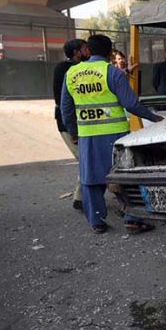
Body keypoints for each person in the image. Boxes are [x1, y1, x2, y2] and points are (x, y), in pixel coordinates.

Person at [61, 34, 163, 234]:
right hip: (116, 135)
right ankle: (132, 218)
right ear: (110, 53)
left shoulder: (71, 74)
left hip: (88, 135)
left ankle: (97, 221)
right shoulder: (112, 72)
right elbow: (130, 104)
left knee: (91, 178)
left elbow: (66, 108)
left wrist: (73, 132)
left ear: (88, 51)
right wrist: (154, 118)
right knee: (124, 177)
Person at [53, 38, 90, 210]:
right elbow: (63, 103)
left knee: (87, 160)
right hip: (69, 124)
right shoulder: (64, 69)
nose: (88, 51)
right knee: (86, 160)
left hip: (82, 123)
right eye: (84, 48)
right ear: (76, 52)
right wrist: (72, 128)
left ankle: (81, 198)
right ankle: (81, 199)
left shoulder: (80, 68)